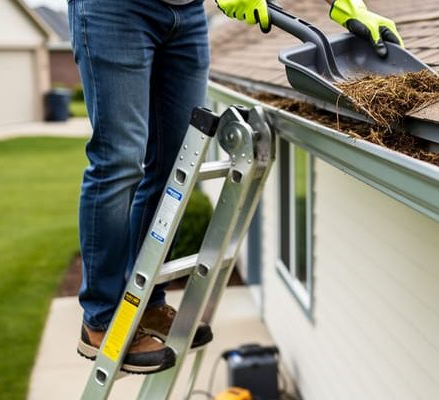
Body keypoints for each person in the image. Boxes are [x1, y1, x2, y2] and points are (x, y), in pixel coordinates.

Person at [70, 0, 403, 374]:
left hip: (187, 14)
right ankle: (100, 320)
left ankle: (144, 300)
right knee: (119, 160)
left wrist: (349, 5)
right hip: (117, 11)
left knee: (176, 163)